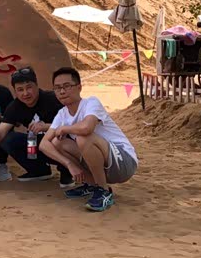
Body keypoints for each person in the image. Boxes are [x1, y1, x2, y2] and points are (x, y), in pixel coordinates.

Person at [39, 67, 138, 212]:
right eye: (57, 88)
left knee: (83, 138)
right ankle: (92, 185)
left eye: (67, 86)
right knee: (57, 142)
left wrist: (65, 129)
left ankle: (103, 191)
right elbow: (43, 144)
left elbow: (87, 128)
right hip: (104, 163)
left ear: (79, 87)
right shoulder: (62, 114)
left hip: (124, 161)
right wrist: (69, 164)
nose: (62, 91)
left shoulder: (91, 103)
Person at [0, 66, 73, 186]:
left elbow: (73, 125)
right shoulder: (14, 107)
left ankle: (66, 172)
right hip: (35, 144)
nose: (25, 93)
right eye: (20, 89)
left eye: (29, 87)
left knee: (60, 139)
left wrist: (46, 127)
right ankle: (38, 170)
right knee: (8, 139)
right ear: (15, 91)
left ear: (36, 85)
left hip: (58, 142)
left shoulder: (53, 99)